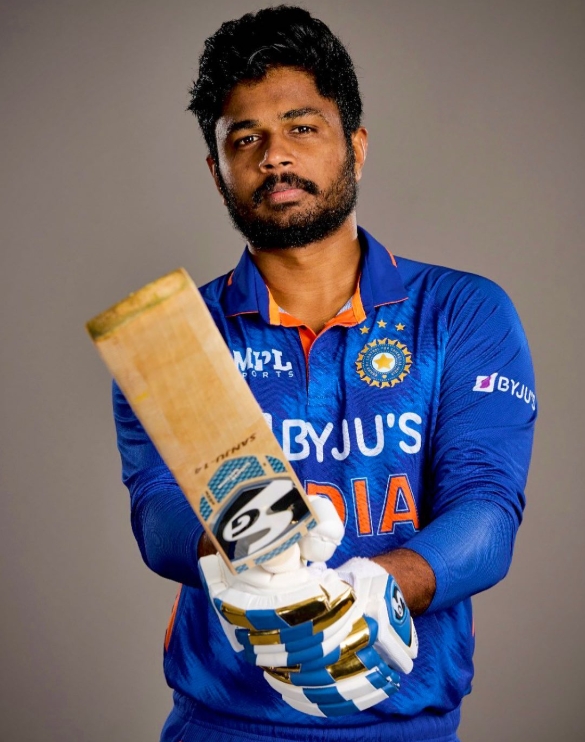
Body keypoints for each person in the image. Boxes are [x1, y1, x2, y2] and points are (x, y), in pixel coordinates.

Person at [113, 6, 536, 741]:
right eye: (246, 138)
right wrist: (246, 558)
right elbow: (157, 514)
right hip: (224, 723)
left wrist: (378, 588)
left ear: (356, 147)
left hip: (407, 723)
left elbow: (488, 509)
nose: (275, 156)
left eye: (301, 128)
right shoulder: (177, 340)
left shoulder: (461, 311)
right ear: (217, 172)